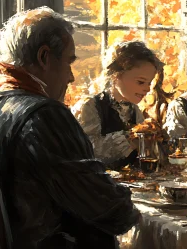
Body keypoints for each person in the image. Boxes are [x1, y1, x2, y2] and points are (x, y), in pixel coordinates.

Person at [0, 7, 160, 249]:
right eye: (69, 63)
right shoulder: (44, 115)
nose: (71, 77)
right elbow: (113, 212)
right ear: (45, 58)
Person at [71, 40, 167, 170]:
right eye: (140, 82)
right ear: (116, 76)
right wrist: (129, 138)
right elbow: (87, 151)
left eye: (149, 83)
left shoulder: (134, 110)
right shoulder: (90, 107)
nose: (147, 89)